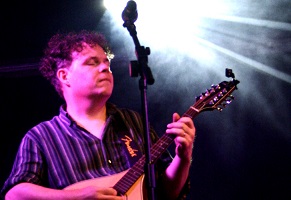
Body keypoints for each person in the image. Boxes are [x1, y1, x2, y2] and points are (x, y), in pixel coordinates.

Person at [1, 30, 196, 200]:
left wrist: (183, 156)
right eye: (92, 63)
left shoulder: (133, 121)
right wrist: (75, 197)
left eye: (106, 63)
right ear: (64, 76)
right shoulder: (41, 137)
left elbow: (167, 193)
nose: (105, 68)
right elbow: (14, 194)